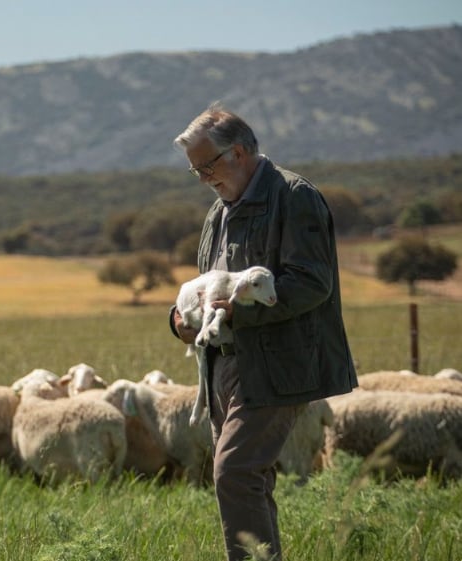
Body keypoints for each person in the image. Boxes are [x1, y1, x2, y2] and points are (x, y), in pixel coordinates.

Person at [169, 103, 357, 561]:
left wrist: (237, 315)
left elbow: (312, 282)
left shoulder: (293, 196)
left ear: (236, 153)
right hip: (224, 365)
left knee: (235, 473)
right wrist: (180, 319)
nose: (203, 179)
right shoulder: (219, 213)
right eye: (195, 171)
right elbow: (205, 284)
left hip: (278, 362)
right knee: (248, 477)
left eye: (206, 166)